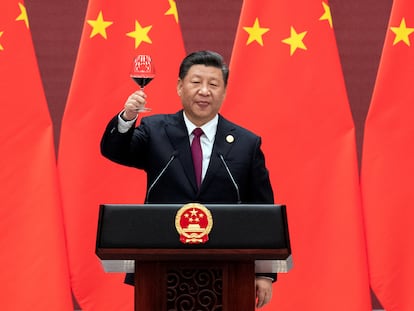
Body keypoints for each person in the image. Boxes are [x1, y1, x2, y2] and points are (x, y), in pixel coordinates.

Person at [100, 50, 276, 308]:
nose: (204, 91)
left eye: (213, 84)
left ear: (224, 92)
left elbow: (263, 209)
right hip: (161, 266)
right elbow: (114, 150)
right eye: (196, 82)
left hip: (228, 268)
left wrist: (264, 272)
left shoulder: (246, 143)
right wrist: (127, 118)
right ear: (180, 87)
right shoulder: (155, 130)